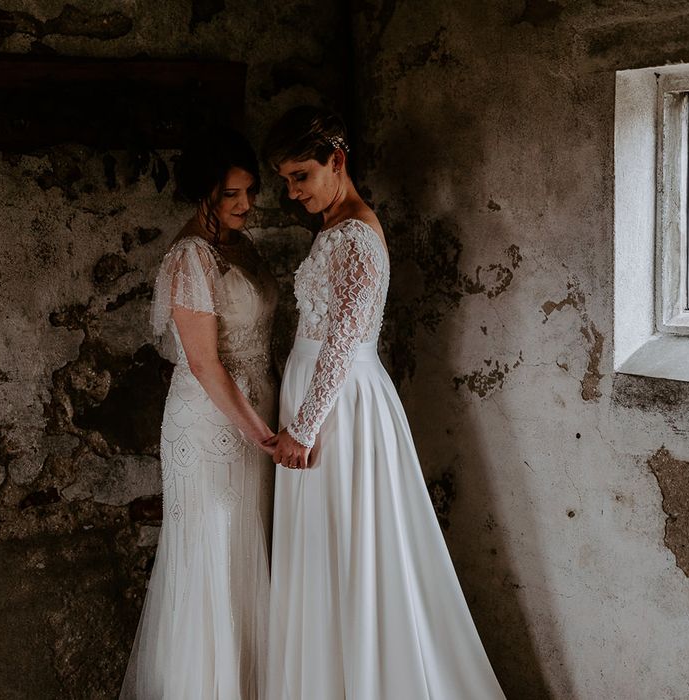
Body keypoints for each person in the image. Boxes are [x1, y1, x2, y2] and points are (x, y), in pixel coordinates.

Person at [262, 106, 506, 700]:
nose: (293, 193)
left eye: (301, 176)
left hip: (340, 407)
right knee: (321, 547)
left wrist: (304, 425)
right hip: (317, 396)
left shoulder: (357, 237)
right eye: (286, 181)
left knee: (355, 545)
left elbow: (344, 342)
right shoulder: (332, 227)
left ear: (336, 161)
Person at [119, 128, 278, 700]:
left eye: (250, 191)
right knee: (216, 546)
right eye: (232, 195)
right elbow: (206, 364)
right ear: (204, 195)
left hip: (255, 410)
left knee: (249, 545)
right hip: (213, 421)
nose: (246, 204)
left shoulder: (240, 244)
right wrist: (261, 432)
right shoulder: (190, 257)